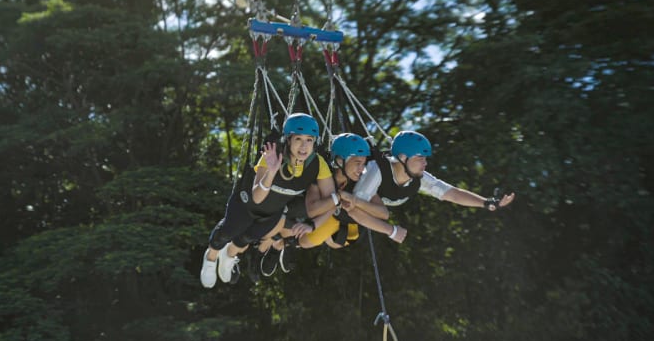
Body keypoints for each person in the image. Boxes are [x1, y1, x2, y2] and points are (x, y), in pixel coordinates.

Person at [200, 113, 337, 288]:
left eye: (309, 140)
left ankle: (228, 256)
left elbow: (332, 201)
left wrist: (314, 225)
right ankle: (210, 258)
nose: (304, 146)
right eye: (298, 139)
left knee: (247, 238)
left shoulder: (317, 164)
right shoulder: (272, 154)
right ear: (288, 140)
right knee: (227, 231)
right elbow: (257, 197)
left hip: (272, 213)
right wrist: (271, 172)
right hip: (247, 204)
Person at [340, 130, 515, 244]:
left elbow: (452, 194)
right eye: (420, 158)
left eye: (425, 158)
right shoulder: (377, 169)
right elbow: (355, 209)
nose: (425, 163)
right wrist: (391, 231)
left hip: (368, 212)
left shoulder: (418, 177)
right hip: (346, 206)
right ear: (402, 157)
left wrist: (487, 202)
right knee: (342, 238)